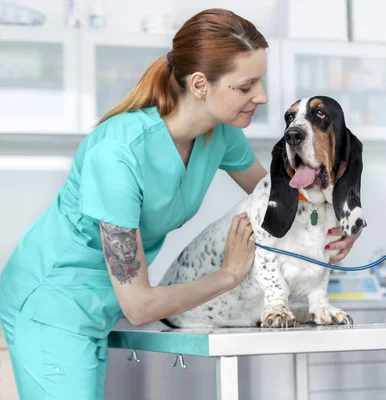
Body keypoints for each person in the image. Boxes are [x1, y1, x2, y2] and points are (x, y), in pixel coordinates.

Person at [0, 8, 360, 400]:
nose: (262, 96)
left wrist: (340, 226)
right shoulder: (117, 154)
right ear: (201, 84)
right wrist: (228, 275)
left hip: (105, 306)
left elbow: (280, 203)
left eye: (261, 81)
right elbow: (139, 306)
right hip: (53, 303)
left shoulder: (219, 136)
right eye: (246, 86)